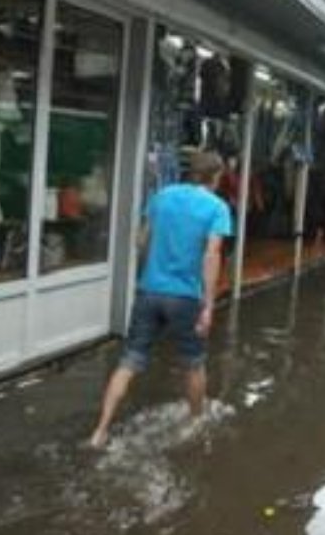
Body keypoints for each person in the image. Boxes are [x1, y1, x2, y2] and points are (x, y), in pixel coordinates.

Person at [89, 152, 232, 448]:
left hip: (149, 291)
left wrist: (151, 269)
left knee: (128, 362)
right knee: (193, 364)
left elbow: (141, 241)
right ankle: (195, 423)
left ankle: (100, 431)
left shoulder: (162, 196)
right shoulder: (217, 208)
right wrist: (208, 304)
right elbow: (212, 254)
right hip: (185, 298)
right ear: (215, 176)